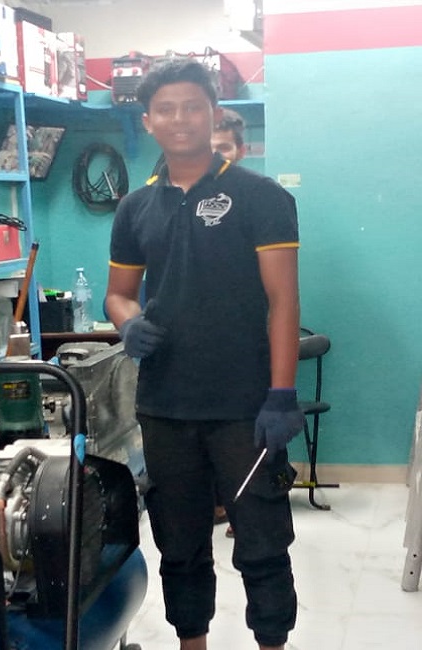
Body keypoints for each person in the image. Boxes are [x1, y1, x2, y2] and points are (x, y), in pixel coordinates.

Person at [105, 59, 302, 650]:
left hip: (245, 406)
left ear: (213, 114)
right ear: (148, 121)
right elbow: (118, 293)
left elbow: (284, 301)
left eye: (192, 106)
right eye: (165, 109)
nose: (180, 119)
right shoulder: (134, 208)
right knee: (180, 545)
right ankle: (193, 644)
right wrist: (128, 323)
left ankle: (273, 643)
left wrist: (282, 394)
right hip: (165, 405)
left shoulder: (260, 196)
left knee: (263, 543)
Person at [210, 106, 247, 536]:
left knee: (239, 438)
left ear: (240, 151)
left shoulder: (256, 200)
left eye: (224, 148)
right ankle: (216, 504)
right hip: (195, 346)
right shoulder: (171, 198)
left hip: (242, 344)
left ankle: (241, 512)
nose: (216, 156)